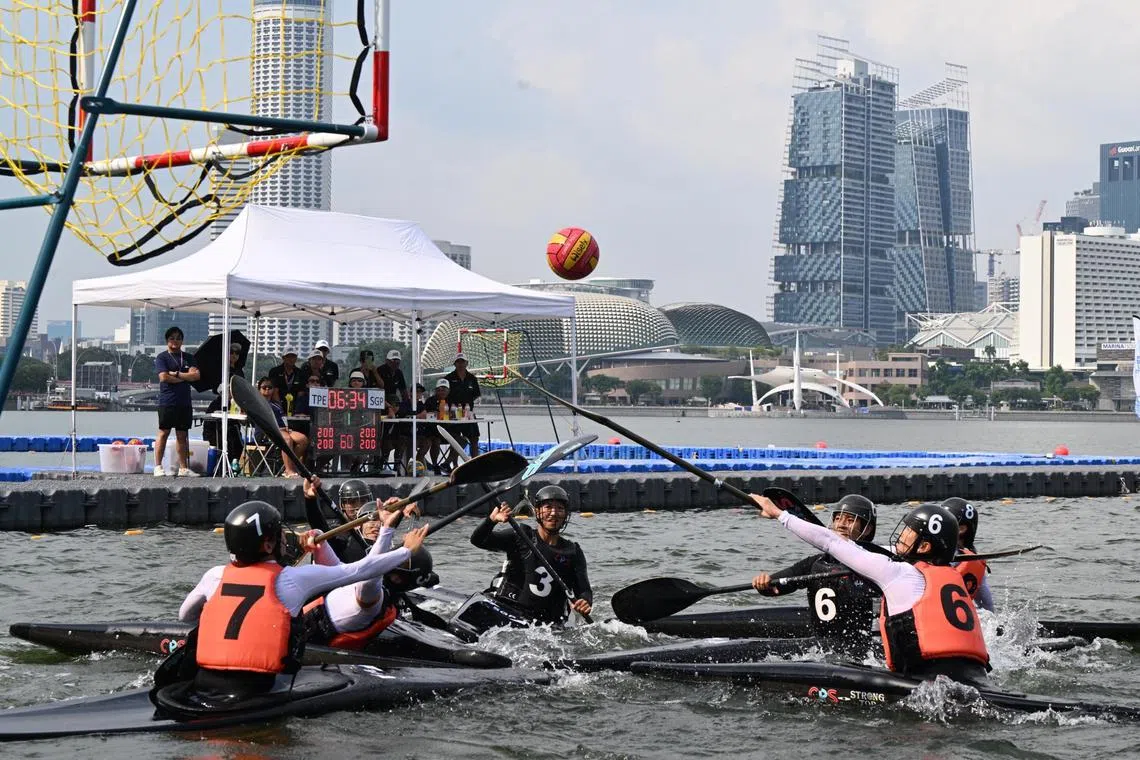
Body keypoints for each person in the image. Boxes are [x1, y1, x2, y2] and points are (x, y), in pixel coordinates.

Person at [178, 477, 430, 698]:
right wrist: (404, 548)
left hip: (204, 679)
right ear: (268, 545)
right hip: (260, 687)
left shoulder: (214, 575)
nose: (284, 538)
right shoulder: (293, 580)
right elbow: (362, 571)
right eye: (279, 535)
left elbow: (186, 616)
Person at [752, 495, 990, 685]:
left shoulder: (897, 572)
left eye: (909, 532)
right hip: (974, 675)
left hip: (928, 682)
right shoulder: (949, 577)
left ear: (925, 545)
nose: (901, 535)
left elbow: (832, 542)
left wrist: (779, 514)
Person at [751, 494, 880, 653]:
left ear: (867, 529)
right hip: (820, 650)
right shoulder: (814, 563)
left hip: (858, 650)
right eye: (838, 519)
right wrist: (764, 584)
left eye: (850, 520)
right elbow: (776, 587)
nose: (841, 525)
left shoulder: (876, 565)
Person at [301, 498, 424, 650]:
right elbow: (336, 567)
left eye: (395, 562)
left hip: (304, 641)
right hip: (301, 627)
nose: (391, 562)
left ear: (400, 579)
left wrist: (396, 540)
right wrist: (318, 538)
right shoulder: (360, 579)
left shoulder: (373, 599)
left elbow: (370, 573)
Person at [469, 485, 592, 626]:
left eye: (559, 508)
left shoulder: (573, 551)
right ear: (538, 511)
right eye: (548, 507)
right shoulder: (521, 535)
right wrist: (491, 520)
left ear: (566, 514)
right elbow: (478, 541)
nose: (553, 513)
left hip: (547, 626)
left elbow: (584, 590)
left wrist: (585, 602)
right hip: (509, 612)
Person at [153, 326, 201, 477]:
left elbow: (196, 376)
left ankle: (183, 468)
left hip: (184, 402)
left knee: (182, 435)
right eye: (172, 338)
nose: (175, 341)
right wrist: (184, 378)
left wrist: (178, 374)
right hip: (168, 401)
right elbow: (163, 377)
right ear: (167, 340)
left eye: (178, 338)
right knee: (164, 432)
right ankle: (158, 466)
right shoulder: (162, 357)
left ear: (182, 340)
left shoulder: (188, 357)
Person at [942, 497, 993, 612]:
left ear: (962, 529)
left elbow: (986, 601)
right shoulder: (974, 558)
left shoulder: (971, 561)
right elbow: (988, 606)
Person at [203, 342, 244, 473]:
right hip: (219, 405)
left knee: (236, 439)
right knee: (217, 437)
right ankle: (217, 467)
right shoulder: (220, 369)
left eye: (237, 353)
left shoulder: (239, 371)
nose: (234, 355)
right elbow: (216, 388)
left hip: (234, 406)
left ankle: (233, 465)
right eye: (231, 352)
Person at [256, 377, 308, 478]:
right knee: (287, 439)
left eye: (270, 387)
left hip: (283, 429)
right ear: (259, 389)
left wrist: (286, 428)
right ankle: (289, 470)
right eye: (264, 387)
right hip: (267, 432)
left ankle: (289, 465)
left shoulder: (277, 404)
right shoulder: (257, 403)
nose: (267, 389)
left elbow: (283, 419)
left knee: (303, 439)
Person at [444, 353, 481, 457]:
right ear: (455, 364)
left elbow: (476, 394)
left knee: (474, 438)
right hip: (453, 413)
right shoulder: (448, 378)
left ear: (466, 363)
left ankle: (475, 463)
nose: (460, 364)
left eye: (462, 362)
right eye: (458, 362)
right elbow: (444, 395)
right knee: (455, 439)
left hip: (468, 413)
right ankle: (453, 464)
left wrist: (467, 404)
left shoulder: (472, 378)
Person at [268, 348, 306, 415]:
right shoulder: (275, 371)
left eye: (293, 356)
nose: (291, 359)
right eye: (288, 357)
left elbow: (301, 393)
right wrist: (280, 409)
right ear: (283, 358)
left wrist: (296, 410)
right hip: (278, 406)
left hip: (295, 408)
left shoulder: (301, 373)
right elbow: (274, 391)